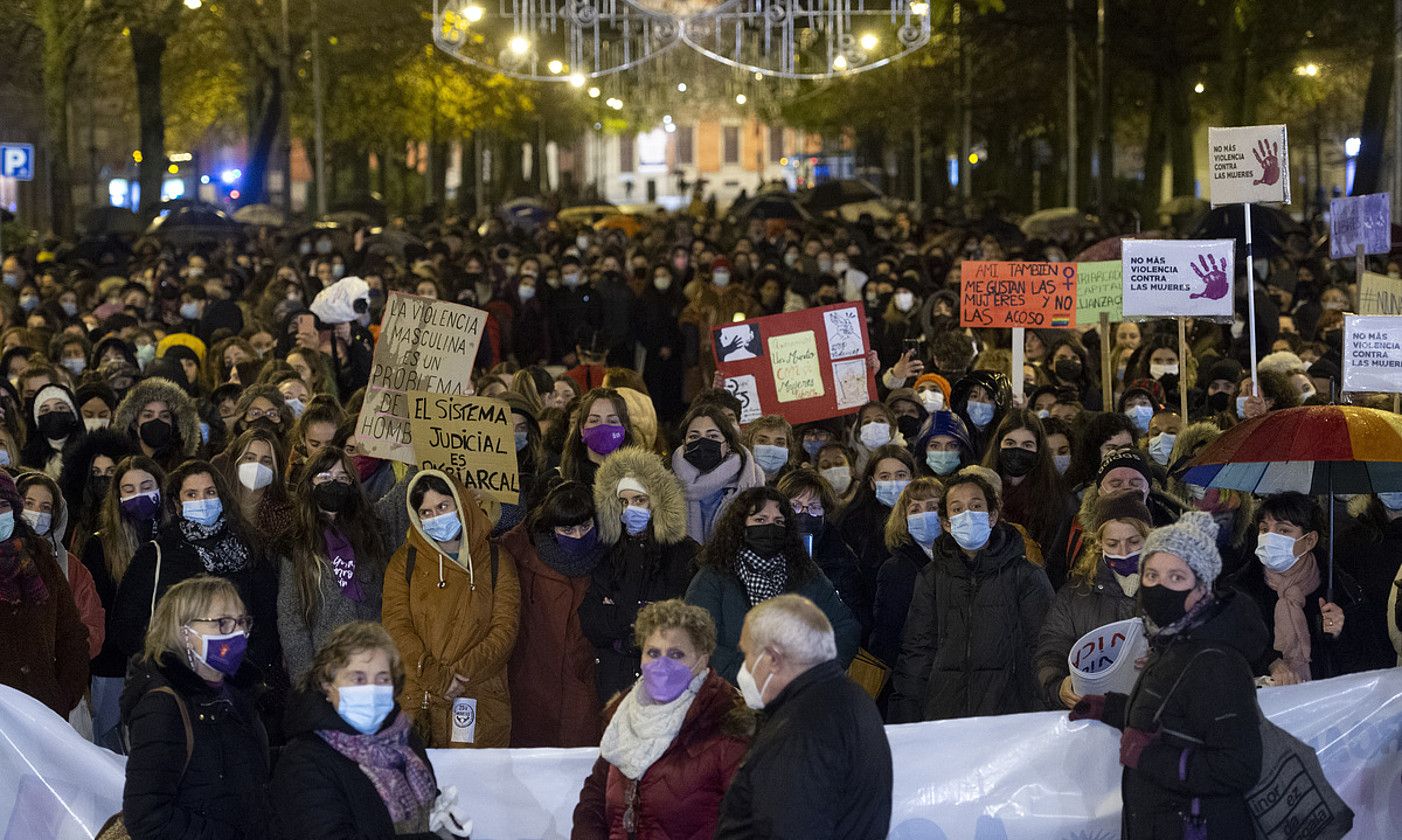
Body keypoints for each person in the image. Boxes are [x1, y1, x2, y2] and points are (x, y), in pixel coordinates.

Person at [1069, 512, 1267, 840]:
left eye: (1176, 578)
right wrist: (1111, 709)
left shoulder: (1216, 660)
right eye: (1152, 575)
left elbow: (1239, 767)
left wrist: (1149, 757)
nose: (1161, 587)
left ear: (1202, 588)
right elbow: (1172, 719)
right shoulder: (1171, 641)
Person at [713, 594, 892, 840]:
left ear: (773, 659)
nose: (744, 668)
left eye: (748, 654)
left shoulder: (800, 730)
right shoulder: (854, 700)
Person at [571, 600, 753, 840]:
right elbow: (594, 796)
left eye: (676, 654)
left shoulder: (726, 721)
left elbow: (747, 820)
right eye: (653, 653)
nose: (662, 664)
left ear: (702, 659)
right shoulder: (623, 716)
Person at [890, 471, 1053, 721]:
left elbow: (1041, 651)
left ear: (992, 516)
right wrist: (905, 715)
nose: (967, 514)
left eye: (976, 506)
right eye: (957, 509)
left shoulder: (1026, 576)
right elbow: (918, 651)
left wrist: (1041, 714)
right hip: (945, 716)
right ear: (946, 523)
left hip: (1009, 716)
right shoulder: (931, 578)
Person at [120, 575, 274, 839]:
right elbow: (146, 818)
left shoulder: (239, 693)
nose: (237, 633)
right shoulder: (163, 706)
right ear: (185, 634)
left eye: (242, 622)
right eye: (222, 623)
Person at [108, 460, 281, 694]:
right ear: (177, 505)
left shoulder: (249, 547)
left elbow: (268, 619)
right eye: (192, 494)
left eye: (210, 492)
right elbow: (128, 628)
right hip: (176, 684)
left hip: (242, 683)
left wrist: (249, 667)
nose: (202, 500)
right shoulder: (155, 554)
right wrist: (175, 663)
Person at [273, 621, 453, 839]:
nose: (371, 688)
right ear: (328, 685)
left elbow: (432, 802)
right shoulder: (303, 761)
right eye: (358, 678)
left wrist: (451, 827)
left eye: (382, 679)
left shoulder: (403, 740)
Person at [381, 469, 520, 748]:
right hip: (419, 700)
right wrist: (437, 677)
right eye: (427, 512)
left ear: (462, 503)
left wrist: (457, 677)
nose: (436, 517)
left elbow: (505, 630)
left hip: (479, 698)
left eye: (443, 506)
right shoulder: (403, 562)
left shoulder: (496, 560)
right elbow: (396, 626)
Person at [685, 487, 860, 684]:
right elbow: (696, 640)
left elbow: (845, 627)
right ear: (739, 526)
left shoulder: (806, 573)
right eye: (760, 520)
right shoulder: (713, 577)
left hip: (797, 697)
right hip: (730, 697)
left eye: (778, 522)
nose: (770, 528)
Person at [583, 446, 698, 701]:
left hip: (670, 683)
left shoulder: (685, 554)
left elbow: (689, 621)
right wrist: (647, 611)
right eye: (623, 502)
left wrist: (620, 612)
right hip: (616, 683)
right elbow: (592, 621)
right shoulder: (608, 553)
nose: (630, 509)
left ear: (657, 501)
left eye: (639, 500)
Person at [501, 481, 603, 748]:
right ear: (550, 528)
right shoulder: (516, 555)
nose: (579, 536)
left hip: (586, 690)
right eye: (568, 529)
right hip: (531, 689)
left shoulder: (610, 559)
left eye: (585, 526)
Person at [1225, 492, 1364, 683]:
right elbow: (1228, 653)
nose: (1270, 538)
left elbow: (1361, 665)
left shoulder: (1340, 590)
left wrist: (1340, 633)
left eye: (1283, 531)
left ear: (1309, 540)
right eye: (1264, 529)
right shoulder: (1239, 592)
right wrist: (1270, 662)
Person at [277, 446, 385, 682]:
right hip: (323, 671)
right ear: (310, 483)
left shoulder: (372, 532)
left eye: (342, 478)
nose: (333, 483)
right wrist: (306, 681)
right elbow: (290, 618)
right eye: (324, 477)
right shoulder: (295, 542)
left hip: (372, 666)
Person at [1035, 491, 1149, 710]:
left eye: (1133, 542)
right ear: (1099, 544)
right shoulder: (1074, 595)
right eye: (1113, 544)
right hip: (1095, 718)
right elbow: (1051, 651)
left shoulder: (1172, 589)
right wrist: (1058, 685)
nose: (1123, 552)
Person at [0, 469, 88, 716]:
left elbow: (71, 633)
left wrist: (62, 695)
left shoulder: (39, 558)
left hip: (42, 710)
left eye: (3, 504)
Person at [869, 476, 943, 668]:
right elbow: (887, 637)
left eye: (932, 507)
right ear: (904, 518)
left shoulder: (958, 561)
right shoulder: (895, 570)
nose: (924, 515)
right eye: (915, 510)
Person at [671, 403, 765, 543]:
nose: (703, 442)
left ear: (727, 444)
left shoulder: (750, 479)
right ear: (684, 444)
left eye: (713, 436)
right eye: (694, 437)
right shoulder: (667, 484)